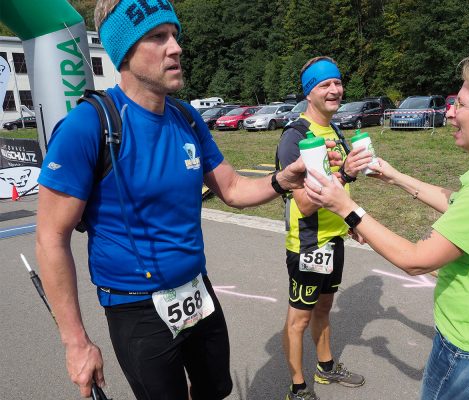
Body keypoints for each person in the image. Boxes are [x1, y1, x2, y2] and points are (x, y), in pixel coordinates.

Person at [34, 1, 334, 399]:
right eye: (158, 38)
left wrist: (283, 179)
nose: (174, 47)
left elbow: (232, 189)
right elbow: (50, 239)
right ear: (124, 51)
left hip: (196, 291)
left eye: (174, 35)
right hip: (136, 306)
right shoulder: (89, 125)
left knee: (214, 390)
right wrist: (76, 343)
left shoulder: (185, 117)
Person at [304, 56, 469, 399]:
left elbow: (417, 259)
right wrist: (395, 177)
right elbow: (464, 206)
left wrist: (347, 208)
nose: (449, 112)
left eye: (461, 105)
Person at [276, 56, 370, 400]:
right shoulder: (295, 137)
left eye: (337, 82)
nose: (334, 90)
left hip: (333, 240)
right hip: (307, 244)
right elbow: (305, 202)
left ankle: (326, 368)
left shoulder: (335, 130)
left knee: (325, 308)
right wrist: (344, 173)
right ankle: (297, 388)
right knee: (299, 320)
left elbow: (337, 191)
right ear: (309, 93)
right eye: (324, 85)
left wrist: (350, 221)